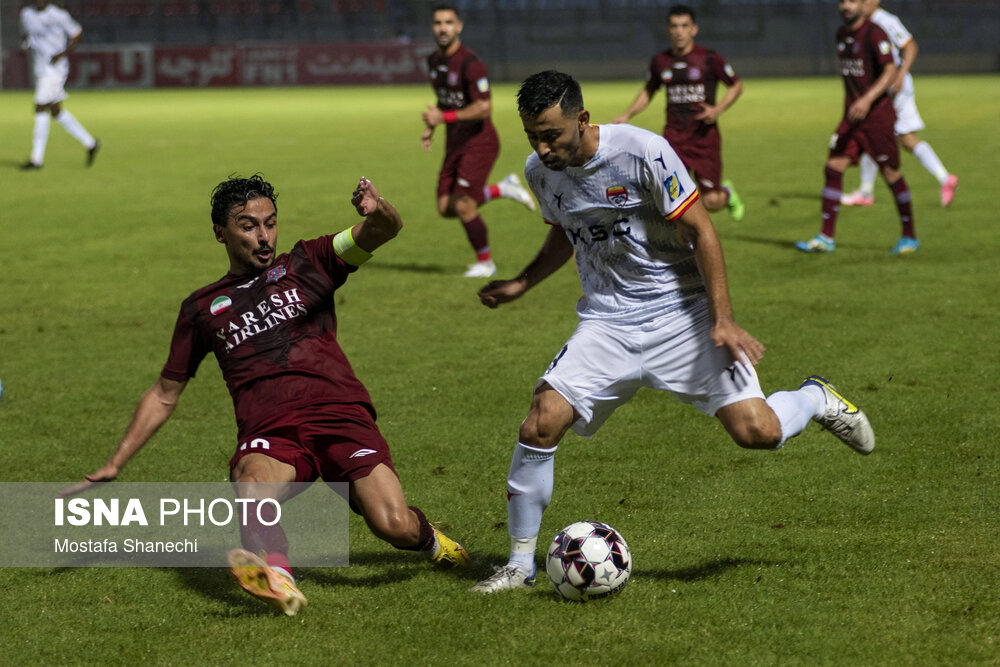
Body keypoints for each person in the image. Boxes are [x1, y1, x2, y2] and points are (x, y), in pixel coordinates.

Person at [470, 71, 875, 593]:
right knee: (540, 423)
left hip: (682, 317)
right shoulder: (540, 172)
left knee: (759, 433)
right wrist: (523, 282)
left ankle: (815, 399)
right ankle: (519, 564)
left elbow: (702, 229)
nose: (543, 148)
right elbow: (566, 234)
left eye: (552, 134)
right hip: (608, 323)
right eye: (533, 137)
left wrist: (722, 317)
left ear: (583, 119)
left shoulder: (642, 152)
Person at [63, 175, 470, 615]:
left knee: (393, 526)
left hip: (338, 416)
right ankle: (280, 578)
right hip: (272, 433)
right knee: (250, 487)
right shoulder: (202, 309)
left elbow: (385, 230)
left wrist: (378, 209)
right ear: (220, 233)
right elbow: (165, 393)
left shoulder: (308, 262)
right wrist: (114, 464)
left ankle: (432, 542)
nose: (263, 237)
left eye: (270, 224)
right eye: (248, 226)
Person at [421, 3, 536, 278]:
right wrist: (433, 126)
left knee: (463, 205)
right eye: (438, 23)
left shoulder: (471, 64)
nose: (443, 28)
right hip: (455, 143)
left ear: (459, 26)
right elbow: (446, 99)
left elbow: (484, 107)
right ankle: (503, 189)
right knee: (444, 207)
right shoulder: (434, 62)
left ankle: (486, 263)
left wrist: (444, 117)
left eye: (449, 22)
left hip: (479, 142)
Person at [797, 0, 918, 255]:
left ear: (863, 5)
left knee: (890, 172)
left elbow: (890, 70)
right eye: (842, 1)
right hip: (852, 116)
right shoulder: (841, 34)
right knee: (833, 167)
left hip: (877, 117)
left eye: (852, 1)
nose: (846, 6)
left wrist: (866, 99)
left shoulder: (875, 33)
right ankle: (825, 237)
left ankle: (909, 237)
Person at [612, 5, 744, 222]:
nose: (679, 31)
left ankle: (726, 193)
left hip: (704, 139)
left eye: (684, 26)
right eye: (674, 26)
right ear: (668, 30)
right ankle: (679, 246)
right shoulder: (660, 61)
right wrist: (626, 115)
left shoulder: (709, 58)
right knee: (670, 198)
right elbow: (648, 91)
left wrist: (717, 109)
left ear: (694, 29)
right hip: (673, 139)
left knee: (711, 202)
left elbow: (736, 85)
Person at [841, 0, 958, 208]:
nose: (862, 3)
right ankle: (945, 178)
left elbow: (910, 45)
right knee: (905, 138)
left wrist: (901, 74)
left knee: (873, 132)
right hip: (888, 86)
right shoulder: (865, 23)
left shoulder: (885, 20)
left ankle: (866, 192)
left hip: (893, 87)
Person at [19, 0, 100, 170]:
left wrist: (61, 54)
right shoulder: (26, 14)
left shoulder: (58, 15)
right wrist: (25, 45)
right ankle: (90, 143)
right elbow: (26, 35)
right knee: (56, 111)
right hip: (40, 68)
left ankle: (36, 159)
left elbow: (78, 35)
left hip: (55, 70)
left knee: (40, 108)